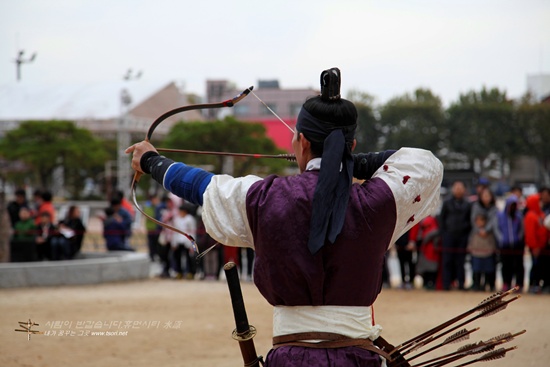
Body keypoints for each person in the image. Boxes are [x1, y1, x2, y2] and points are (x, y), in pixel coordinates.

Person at [126, 67, 443, 367]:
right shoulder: (378, 201)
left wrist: (151, 160)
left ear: (302, 142)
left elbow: (203, 187)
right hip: (357, 360)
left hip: (292, 360)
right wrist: (348, 161)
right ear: (353, 145)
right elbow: (424, 164)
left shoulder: (264, 198)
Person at [438, 181, 472, 290]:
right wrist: (443, 233)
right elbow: (442, 218)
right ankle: (446, 284)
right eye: (456, 187)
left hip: (462, 236)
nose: (458, 190)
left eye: (460, 188)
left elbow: (470, 220)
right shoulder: (447, 202)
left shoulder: (468, 204)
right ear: (452, 189)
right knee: (447, 261)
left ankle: (461, 284)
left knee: (460, 261)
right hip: (448, 235)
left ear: (464, 190)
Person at [494, 195, 524, 292]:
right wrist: (501, 239)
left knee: (518, 265)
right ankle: (506, 283)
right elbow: (497, 228)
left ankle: (519, 284)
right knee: (506, 265)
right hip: (504, 245)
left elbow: (522, 229)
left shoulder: (518, 216)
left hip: (516, 244)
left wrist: (519, 238)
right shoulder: (501, 216)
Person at [524, 193, 550, 293]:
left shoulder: (541, 214)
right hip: (536, 247)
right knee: (535, 266)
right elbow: (530, 234)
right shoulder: (531, 216)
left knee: (541, 266)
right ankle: (533, 284)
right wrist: (535, 246)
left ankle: (540, 284)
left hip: (543, 246)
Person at [409, 214, 441, 290]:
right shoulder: (422, 219)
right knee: (425, 266)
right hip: (424, 248)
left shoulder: (431, 220)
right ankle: (427, 282)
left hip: (431, 248)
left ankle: (430, 282)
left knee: (431, 266)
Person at [467, 213, 497, 291]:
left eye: (481, 221)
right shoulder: (474, 231)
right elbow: (471, 241)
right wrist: (470, 248)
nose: (479, 223)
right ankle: (476, 285)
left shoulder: (489, 232)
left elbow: (492, 242)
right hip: (476, 253)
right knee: (476, 271)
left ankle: (487, 285)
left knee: (488, 271)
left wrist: (491, 250)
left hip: (487, 254)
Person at [172, 202, 198, 279]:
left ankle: (190, 272)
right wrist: (174, 243)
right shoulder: (177, 219)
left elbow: (193, 232)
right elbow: (175, 231)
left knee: (189, 258)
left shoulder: (190, 219)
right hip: (179, 241)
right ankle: (179, 272)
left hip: (187, 242)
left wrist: (192, 244)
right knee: (177, 257)